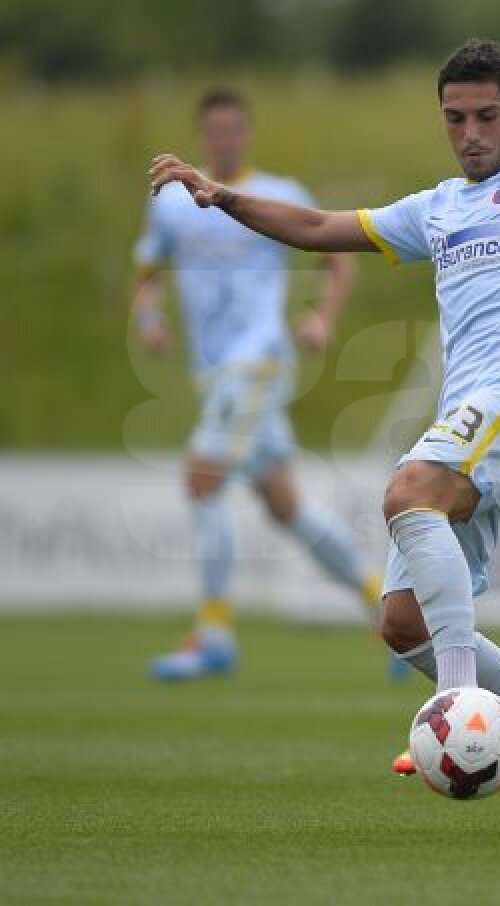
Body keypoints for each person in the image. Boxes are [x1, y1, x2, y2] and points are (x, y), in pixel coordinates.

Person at [148, 40, 500, 833]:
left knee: (409, 490)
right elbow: (314, 227)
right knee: (403, 621)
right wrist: (222, 197)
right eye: (455, 118)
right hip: (470, 417)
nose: (470, 132)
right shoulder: (439, 205)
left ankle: (456, 705)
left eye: (486, 115)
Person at [133, 88, 382, 682]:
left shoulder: (281, 194)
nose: (225, 139)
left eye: (234, 129)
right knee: (286, 506)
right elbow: (147, 275)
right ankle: (389, 613)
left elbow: (337, 259)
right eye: (215, 130)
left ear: (246, 133)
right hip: (214, 370)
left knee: (203, 477)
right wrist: (149, 320)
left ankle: (214, 631)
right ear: (203, 134)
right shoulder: (170, 205)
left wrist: (322, 315)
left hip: (258, 360)